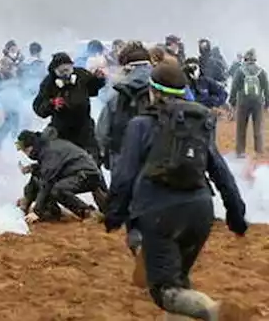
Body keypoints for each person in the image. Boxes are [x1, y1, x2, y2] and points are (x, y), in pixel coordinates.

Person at [104, 64, 251, 320]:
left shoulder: (140, 125)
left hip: (158, 214)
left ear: (152, 92)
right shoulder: (200, 125)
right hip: (200, 211)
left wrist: (114, 216)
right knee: (179, 280)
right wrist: (236, 216)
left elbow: (124, 176)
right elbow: (222, 174)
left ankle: (214, 311)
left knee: (165, 291)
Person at [15, 129, 106, 223]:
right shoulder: (45, 147)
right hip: (76, 172)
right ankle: (50, 211)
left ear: (31, 147)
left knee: (57, 190)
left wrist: (36, 212)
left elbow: (47, 181)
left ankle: (89, 213)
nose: (25, 154)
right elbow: (48, 170)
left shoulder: (49, 151)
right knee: (39, 176)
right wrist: (34, 168)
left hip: (88, 175)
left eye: (25, 150)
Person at [32, 52, 106, 163]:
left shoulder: (81, 74)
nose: (66, 74)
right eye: (62, 71)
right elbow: (38, 107)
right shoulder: (48, 83)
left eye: (68, 70)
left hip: (84, 127)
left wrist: (99, 79)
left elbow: (93, 89)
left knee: (92, 161)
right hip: (61, 130)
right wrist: (52, 104)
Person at [97, 41, 152, 172]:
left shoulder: (116, 94)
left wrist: (105, 157)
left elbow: (102, 133)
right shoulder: (161, 90)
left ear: (126, 67)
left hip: (122, 161)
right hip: (154, 163)